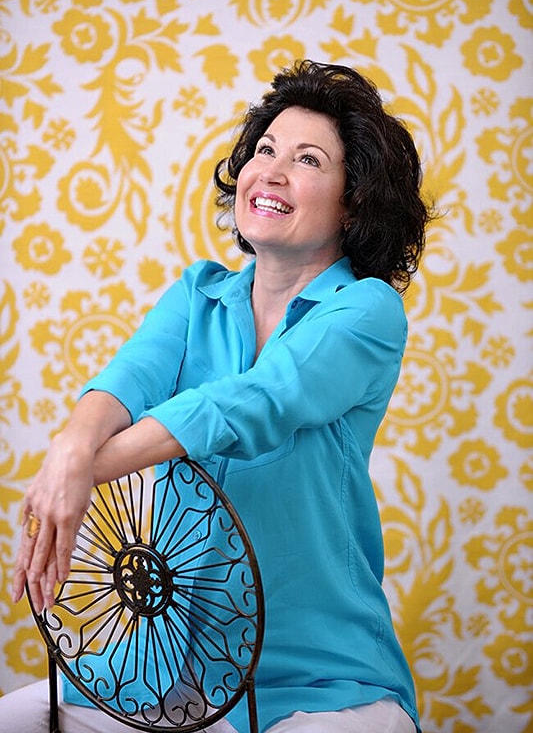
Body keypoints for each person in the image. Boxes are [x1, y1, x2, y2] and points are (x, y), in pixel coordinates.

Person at [4, 59, 432, 733]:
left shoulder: (366, 311)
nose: (271, 171)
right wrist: (69, 450)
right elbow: (123, 382)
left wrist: (85, 471)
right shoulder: (196, 295)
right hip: (165, 669)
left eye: (308, 159)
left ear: (353, 202)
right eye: (265, 150)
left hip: (323, 680)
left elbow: (255, 401)